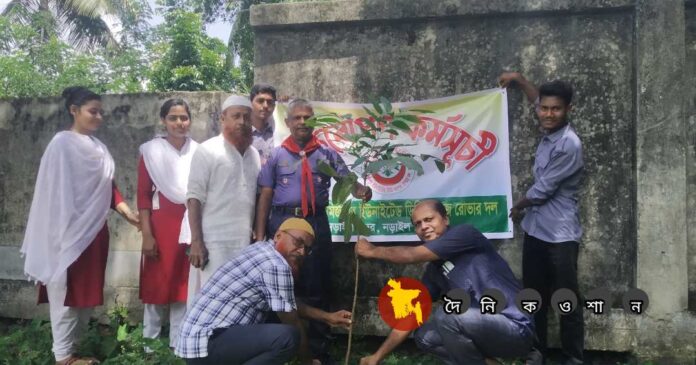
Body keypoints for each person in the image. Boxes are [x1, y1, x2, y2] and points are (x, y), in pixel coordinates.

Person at [20, 86, 139, 365]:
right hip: (66, 232)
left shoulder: (100, 149)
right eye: (92, 111)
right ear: (74, 111)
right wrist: (63, 229)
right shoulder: (61, 143)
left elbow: (109, 191)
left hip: (95, 232)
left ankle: (73, 350)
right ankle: (63, 357)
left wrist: (129, 216)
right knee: (64, 291)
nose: (98, 117)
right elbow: (54, 191)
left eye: (101, 112)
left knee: (85, 292)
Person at [254, 98, 372, 362]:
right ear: (288, 122)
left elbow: (348, 181)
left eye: (307, 117)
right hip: (282, 223)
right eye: (297, 118)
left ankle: (318, 348)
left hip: (316, 223)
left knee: (318, 283)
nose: (302, 122)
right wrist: (260, 232)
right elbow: (265, 194)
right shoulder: (276, 155)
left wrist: (362, 190)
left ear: (314, 121)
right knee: (279, 283)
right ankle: (281, 344)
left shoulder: (327, 154)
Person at [355, 199, 535, 365]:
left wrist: (373, 251)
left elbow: (412, 255)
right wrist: (377, 357)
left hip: (515, 327)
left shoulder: (466, 234)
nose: (424, 227)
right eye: (418, 224)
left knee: (447, 316)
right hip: (483, 331)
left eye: (429, 219)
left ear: (446, 220)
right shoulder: (434, 271)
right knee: (425, 336)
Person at [175, 217, 352, 365]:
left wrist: (327, 317)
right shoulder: (276, 266)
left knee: (282, 318)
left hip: (199, 341)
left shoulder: (262, 249)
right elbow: (292, 321)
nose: (301, 252)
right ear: (278, 235)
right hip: (206, 343)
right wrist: (308, 362)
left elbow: (287, 304)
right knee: (288, 337)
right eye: (298, 242)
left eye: (307, 249)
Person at [500, 72, 585, 365]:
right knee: (533, 295)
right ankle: (536, 353)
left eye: (556, 109)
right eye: (544, 108)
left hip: (560, 235)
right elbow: (538, 99)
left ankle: (573, 357)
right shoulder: (549, 124)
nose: (548, 114)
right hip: (536, 230)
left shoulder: (569, 144)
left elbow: (543, 190)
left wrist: (517, 206)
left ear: (567, 110)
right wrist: (520, 80)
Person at [184, 95, 261, 306]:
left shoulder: (254, 155)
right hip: (213, 242)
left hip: (244, 243)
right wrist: (197, 242)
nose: (242, 122)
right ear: (223, 119)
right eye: (236, 116)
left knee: (238, 300)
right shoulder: (207, 150)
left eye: (246, 117)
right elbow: (193, 199)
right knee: (212, 301)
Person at [137, 99, 199, 348]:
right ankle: (148, 343)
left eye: (184, 118)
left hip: (190, 222)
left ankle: (177, 342)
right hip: (161, 225)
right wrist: (147, 235)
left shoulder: (198, 151)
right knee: (157, 282)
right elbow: (142, 196)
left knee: (183, 284)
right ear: (164, 120)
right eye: (173, 118)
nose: (179, 123)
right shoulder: (151, 151)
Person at [249, 83, 278, 165]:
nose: (265, 105)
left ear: (274, 106)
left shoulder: (278, 132)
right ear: (250, 103)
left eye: (270, 102)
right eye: (260, 101)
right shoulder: (242, 134)